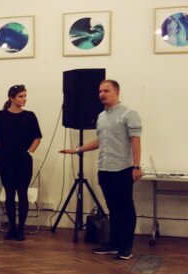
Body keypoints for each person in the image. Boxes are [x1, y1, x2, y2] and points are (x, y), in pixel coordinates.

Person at [60, 79, 143, 260]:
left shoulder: (129, 113)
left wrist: (137, 166)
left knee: (125, 208)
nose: (102, 94)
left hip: (122, 169)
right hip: (105, 169)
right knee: (112, 208)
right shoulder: (101, 116)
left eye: (106, 91)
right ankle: (114, 243)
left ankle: (126, 247)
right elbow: (100, 141)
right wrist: (77, 150)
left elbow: (135, 141)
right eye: (100, 91)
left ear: (117, 92)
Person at [0, 85, 42, 241]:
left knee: (22, 193)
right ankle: (12, 228)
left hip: (23, 160)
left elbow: (37, 137)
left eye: (25, 96)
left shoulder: (30, 116)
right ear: (11, 98)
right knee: (10, 193)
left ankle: (21, 229)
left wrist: (29, 152)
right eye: (20, 96)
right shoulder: (0, 115)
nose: (24, 99)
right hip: (5, 160)